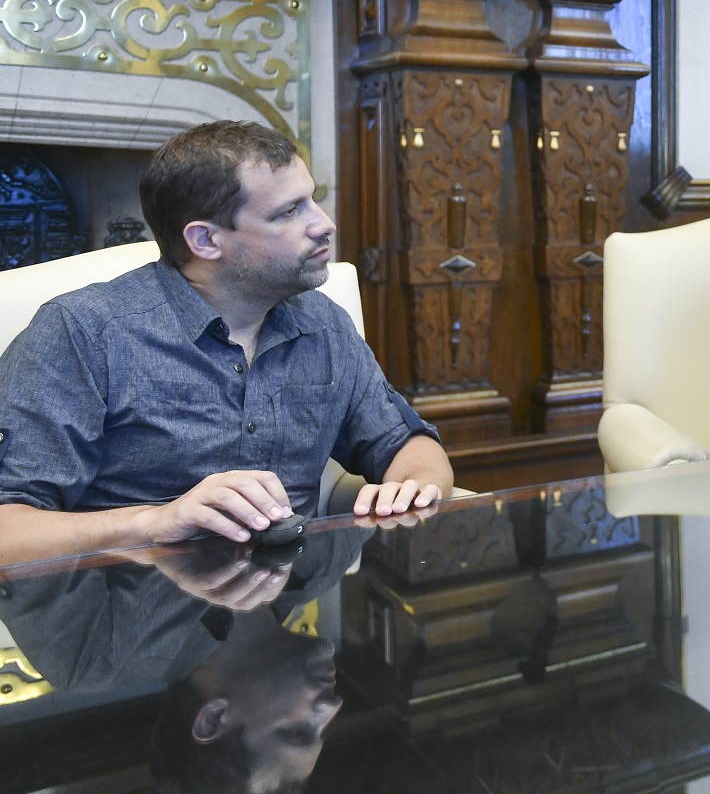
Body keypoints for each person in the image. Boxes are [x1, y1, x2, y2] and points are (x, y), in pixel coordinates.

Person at [0, 120, 453, 565]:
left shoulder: (325, 325)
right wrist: (154, 523)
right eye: (288, 212)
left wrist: (412, 485)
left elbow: (408, 444)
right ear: (206, 240)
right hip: (129, 621)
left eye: (312, 200)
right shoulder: (82, 332)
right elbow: (8, 529)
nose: (325, 225)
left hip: (288, 615)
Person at [0, 522, 369, 793]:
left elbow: (11, 524)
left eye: (297, 731)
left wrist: (149, 526)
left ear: (213, 718)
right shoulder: (324, 561)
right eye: (321, 730)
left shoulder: (91, 652)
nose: (333, 706)